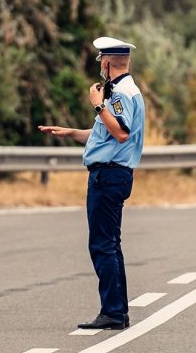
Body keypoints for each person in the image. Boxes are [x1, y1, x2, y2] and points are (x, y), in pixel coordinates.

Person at [38, 36, 146, 330]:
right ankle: (117, 311)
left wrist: (98, 106)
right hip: (113, 173)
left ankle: (112, 312)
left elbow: (121, 133)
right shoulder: (124, 91)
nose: (101, 65)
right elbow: (106, 133)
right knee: (111, 244)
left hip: (108, 175)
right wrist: (71, 132)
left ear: (108, 62)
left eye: (101, 60)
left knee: (103, 245)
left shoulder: (120, 93)